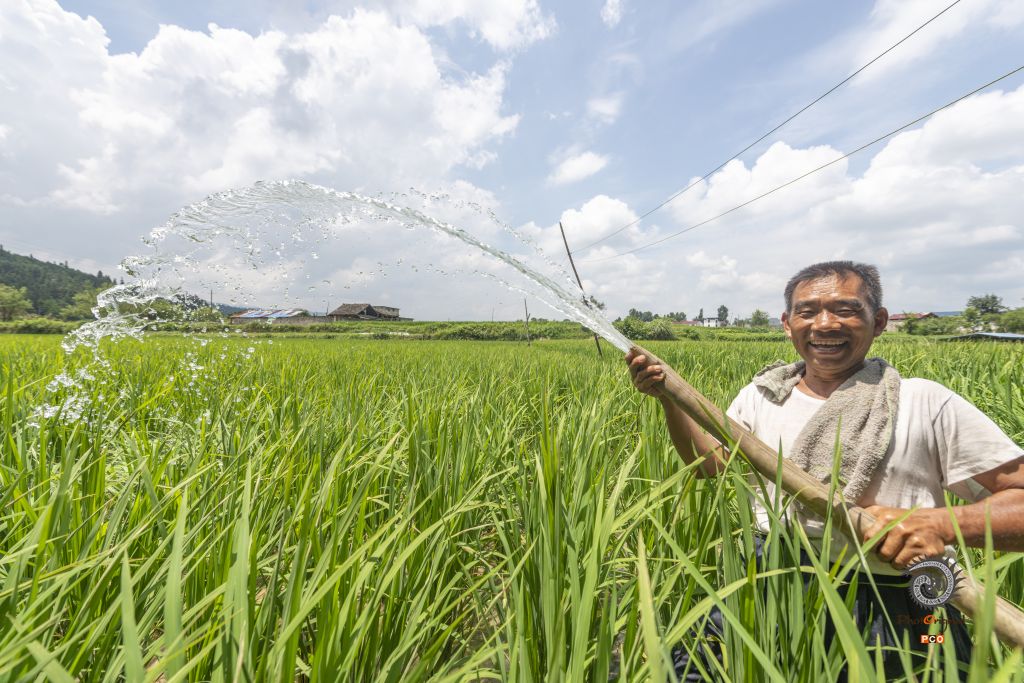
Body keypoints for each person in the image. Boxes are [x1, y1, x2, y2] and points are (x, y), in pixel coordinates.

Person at [625, 261, 1024, 680]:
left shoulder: (924, 402)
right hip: (772, 578)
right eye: (808, 311)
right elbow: (710, 466)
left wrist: (937, 524)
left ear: (879, 321)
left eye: (846, 310)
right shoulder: (764, 395)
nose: (825, 324)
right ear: (787, 324)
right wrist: (669, 398)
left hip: (898, 598)